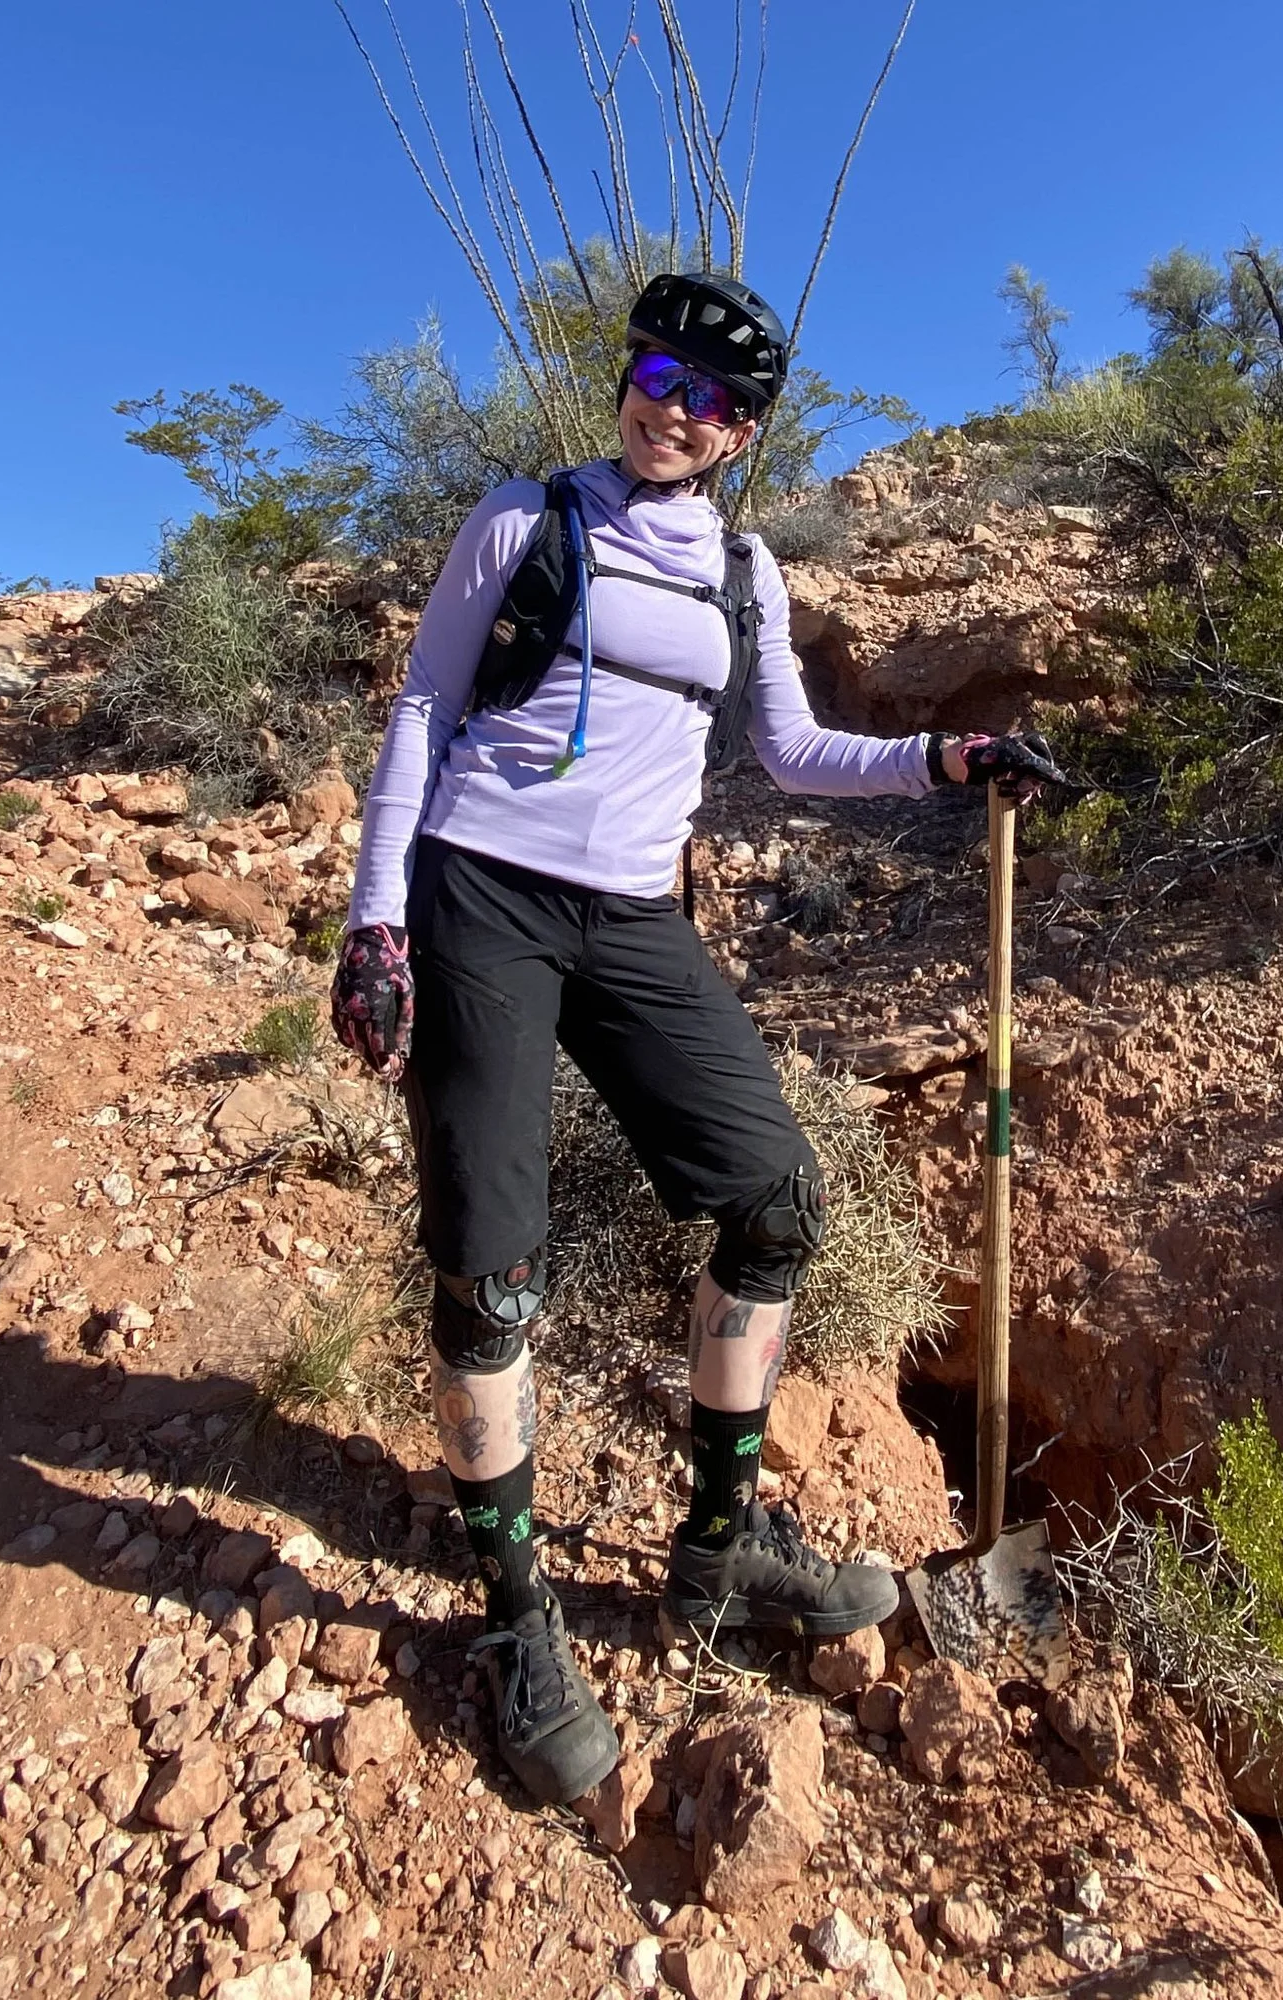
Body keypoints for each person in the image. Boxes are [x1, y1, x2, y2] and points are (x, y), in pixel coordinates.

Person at [331, 270, 1066, 1806]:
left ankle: (719, 1556)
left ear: (742, 436)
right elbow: (419, 712)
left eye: (715, 398)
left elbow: (792, 751)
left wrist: (944, 755)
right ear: (627, 377)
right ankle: (517, 1622)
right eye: (661, 372)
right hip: (485, 893)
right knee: (492, 1265)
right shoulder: (525, 523)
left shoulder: (746, 573)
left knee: (776, 1202)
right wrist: (377, 921)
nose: (678, 407)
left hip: (634, 918)